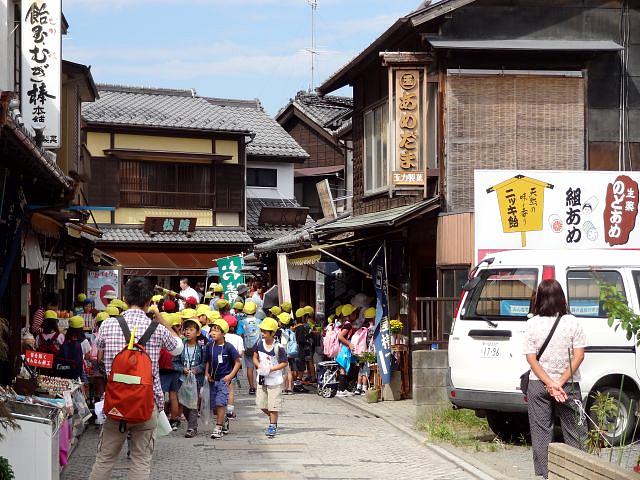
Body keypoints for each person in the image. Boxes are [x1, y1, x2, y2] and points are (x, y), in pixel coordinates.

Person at [89, 277, 183, 480]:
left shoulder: (107, 325)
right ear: (150, 301)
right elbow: (178, 348)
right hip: (147, 403)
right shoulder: (156, 329)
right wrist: (160, 318)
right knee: (141, 460)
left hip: (115, 403)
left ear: (124, 298)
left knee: (104, 459)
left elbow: (96, 356)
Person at [523, 279, 587, 479]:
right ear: (562, 298)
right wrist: (559, 382)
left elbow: (531, 359)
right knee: (576, 432)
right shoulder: (573, 322)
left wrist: (549, 383)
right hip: (568, 386)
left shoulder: (532, 324)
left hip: (538, 385)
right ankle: (578, 473)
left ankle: (546, 476)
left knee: (541, 433)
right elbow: (579, 356)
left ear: (539, 298)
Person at [204, 318, 241, 439]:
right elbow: (208, 361)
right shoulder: (209, 346)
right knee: (214, 406)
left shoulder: (229, 347)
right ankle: (223, 419)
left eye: (216, 330)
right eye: (212, 330)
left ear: (224, 333)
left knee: (220, 403)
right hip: (212, 380)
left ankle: (218, 427)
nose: (213, 333)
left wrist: (230, 376)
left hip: (224, 380)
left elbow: (237, 362)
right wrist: (207, 373)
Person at [253, 318, 288, 438]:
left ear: (272, 333)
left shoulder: (279, 347)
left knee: (273, 404)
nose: (262, 333)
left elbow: (284, 363)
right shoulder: (259, 344)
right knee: (261, 404)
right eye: (262, 331)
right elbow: (255, 357)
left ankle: (273, 424)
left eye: (265, 332)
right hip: (262, 379)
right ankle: (273, 417)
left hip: (274, 380)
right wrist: (259, 367)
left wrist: (271, 369)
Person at [176, 317, 205, 438]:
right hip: (182, 379)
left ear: (197, 332)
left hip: (196, 380)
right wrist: (182, 369)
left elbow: (204, 363)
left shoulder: (201, 347)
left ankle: (191, 428)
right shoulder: (181, 346)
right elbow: (174, 362)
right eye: (186, 329)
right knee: (183, 403)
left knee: (193, 403)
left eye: (191, 329)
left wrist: (196, 369)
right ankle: (192, 424)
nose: (187, 332)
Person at [160, 313, 184, 431]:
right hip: (175, 370)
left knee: (160, 396)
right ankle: (174, 420)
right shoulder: (178, 339)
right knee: (173, 396)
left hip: (161, 369)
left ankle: (161, 420)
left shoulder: (161, 336)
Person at [224, 316, 244, 419]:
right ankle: (230, 412)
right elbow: (240, 354)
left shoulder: (222, 337)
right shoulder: (238, 338)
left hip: (221, 365)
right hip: (233, 366)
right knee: (231, 389)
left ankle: (218, 410)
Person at [336, 304, 358, 397]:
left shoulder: (344, 324)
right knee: (343, 369)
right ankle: (341, 390)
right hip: (344, 350)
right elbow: (340, 336)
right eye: (354, 313)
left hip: (343, 349)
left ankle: (345, 389)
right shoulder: (348, 325)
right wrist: (349, 344)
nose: (356, 315)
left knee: (345, 368)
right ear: (350, 314)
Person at [240, 301, 261, 395]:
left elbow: (240, 334)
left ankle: (252, 387)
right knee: (258, 366)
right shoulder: (259, 321)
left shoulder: (242, 322)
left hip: (247, 347)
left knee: (249, 367)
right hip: (258, 347)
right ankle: (260, 386)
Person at [355, 307, 376, 395]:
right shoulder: (373, 329)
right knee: (366, 370)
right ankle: (364, 388)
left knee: (360, 370)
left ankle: (358, 387)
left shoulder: (362, 327)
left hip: (360, 351)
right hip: (368, 352)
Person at [277, 312, 294, 395]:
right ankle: (290, 388)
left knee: (283, 371)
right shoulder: (290, 331)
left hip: (282, 352)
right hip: (290, 352)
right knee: (289, 370)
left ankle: (283, 388)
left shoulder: (279, 331)